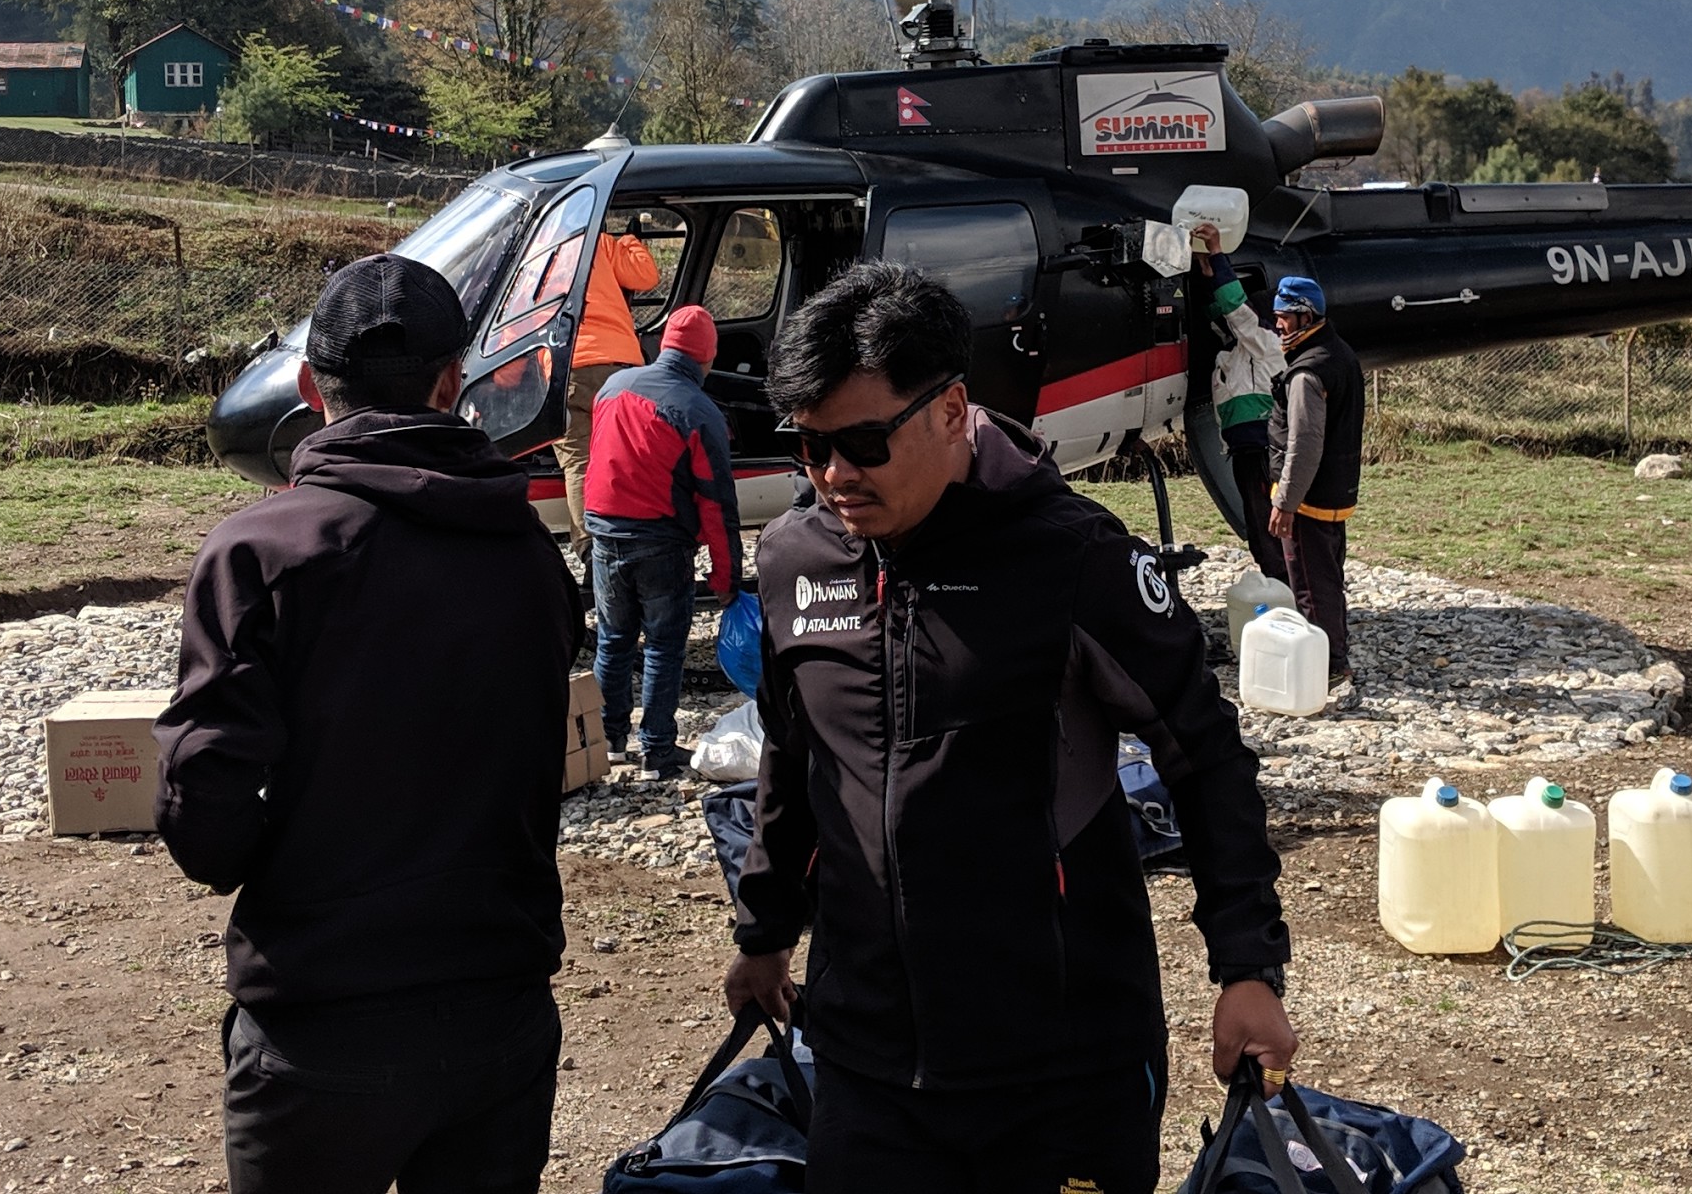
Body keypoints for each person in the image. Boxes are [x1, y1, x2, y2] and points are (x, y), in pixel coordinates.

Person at [723, 261, 1297, 1194]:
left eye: (864, 442)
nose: (834, 475)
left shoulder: (1073, 558)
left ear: (951, 410)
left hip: (1059, 1064)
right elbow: (795, 759)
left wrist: (1247, 965)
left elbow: (1204, 755)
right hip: (868, 1058)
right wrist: (763, 935)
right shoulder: (795, 559)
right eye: (809, 446)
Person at [155, 254, 584, 1194]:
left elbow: (207, 816)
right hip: (497, 1004)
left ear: (311, 388)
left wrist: (291, 857)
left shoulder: (264, 551)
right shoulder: (526, 553)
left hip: (323, 1012)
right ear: (452, 384)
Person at [584, 301, 744, 777]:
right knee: (662, 646)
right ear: (708, 359)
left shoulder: (613, 387)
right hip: (661, 542)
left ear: (663, 344)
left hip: (604, 534)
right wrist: (726, 576)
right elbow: (718, 505)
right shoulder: (698, 410)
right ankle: (656, 751)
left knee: (612, 641)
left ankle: (609, 741)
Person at [1265, 274, 1364, 695]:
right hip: (1334, 495)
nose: (1278, 326)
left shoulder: (1308, 373)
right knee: (1328, 577)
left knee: (1310, 585)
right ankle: (1333, 657)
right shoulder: (1338, 354)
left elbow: (1304, 444)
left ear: (1306, 315)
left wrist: (1286, 503)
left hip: (1308, 501)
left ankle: (1328, 670)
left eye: (1284, 317)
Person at [552, 218, 662, 557]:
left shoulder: (535, 256)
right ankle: (637, 540)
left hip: (565, 368)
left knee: (578, 463)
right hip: (620, 365)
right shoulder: (598, 243)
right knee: (628, 454)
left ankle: (590, 550)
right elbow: (646, 275)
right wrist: (629, 239)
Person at [1194, 225, 1287, 581]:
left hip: (1264, 449)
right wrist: (1206, 277)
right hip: (1245, 451)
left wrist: (1218, 253)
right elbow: (1218, 311)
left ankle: (1286, 593)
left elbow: (1233, 307)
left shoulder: (1264, 342)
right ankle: (1278, 585)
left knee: (1270, 530)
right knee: (1259, 527)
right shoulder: (1234, 353)